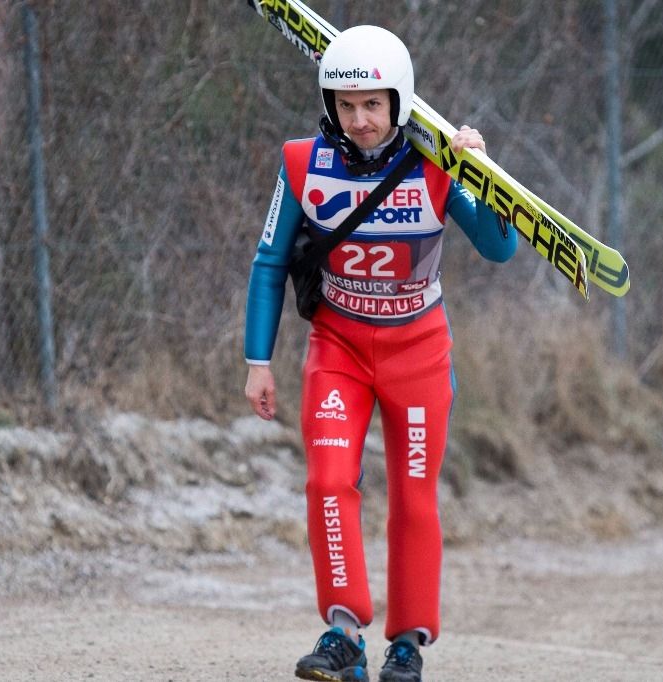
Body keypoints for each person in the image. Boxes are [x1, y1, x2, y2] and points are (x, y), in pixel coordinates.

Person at [243, 24, 517, 682]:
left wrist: (479, 172)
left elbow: (500, 247)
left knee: (413, 498)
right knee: (329, 480)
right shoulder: (301, 163)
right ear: (329, 104)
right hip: (337, 347)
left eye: (374, 105)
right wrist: (258, 359)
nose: (361, 120)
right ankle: (343, 637)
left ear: (400, 102)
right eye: (346, 105)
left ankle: (407, 647)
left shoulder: (436, 164)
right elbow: (269, 261)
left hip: (418, 352)